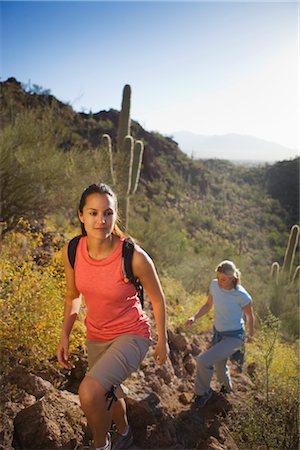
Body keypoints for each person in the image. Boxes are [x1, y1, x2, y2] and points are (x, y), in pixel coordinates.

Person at [57, 183, 168, 450]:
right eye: (93, 213)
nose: (101, 220)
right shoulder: (72, 251)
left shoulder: (134, 257)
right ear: (81, 216)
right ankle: (125, 432)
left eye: (108, 213)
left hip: (132, 334)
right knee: (109, 390)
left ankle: (101, 445)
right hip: (97, 335)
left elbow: (158, 299)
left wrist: (163, 340)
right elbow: (73, 295)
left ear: (116, 215)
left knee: (89, 391)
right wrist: (65, 334)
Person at [185, 260, 254, 408]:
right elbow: (208, 305)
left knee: (204, 360)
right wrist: (194, 317)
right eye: (218, 277)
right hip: (219, 334)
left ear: (232, 277)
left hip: (235, 336)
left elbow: (249, 316)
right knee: (219, 364)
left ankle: (202, 393)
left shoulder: (242, 295)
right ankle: (226, 388)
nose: (219, 281)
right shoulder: (214, 285)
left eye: (223, 279)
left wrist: (251, 335)